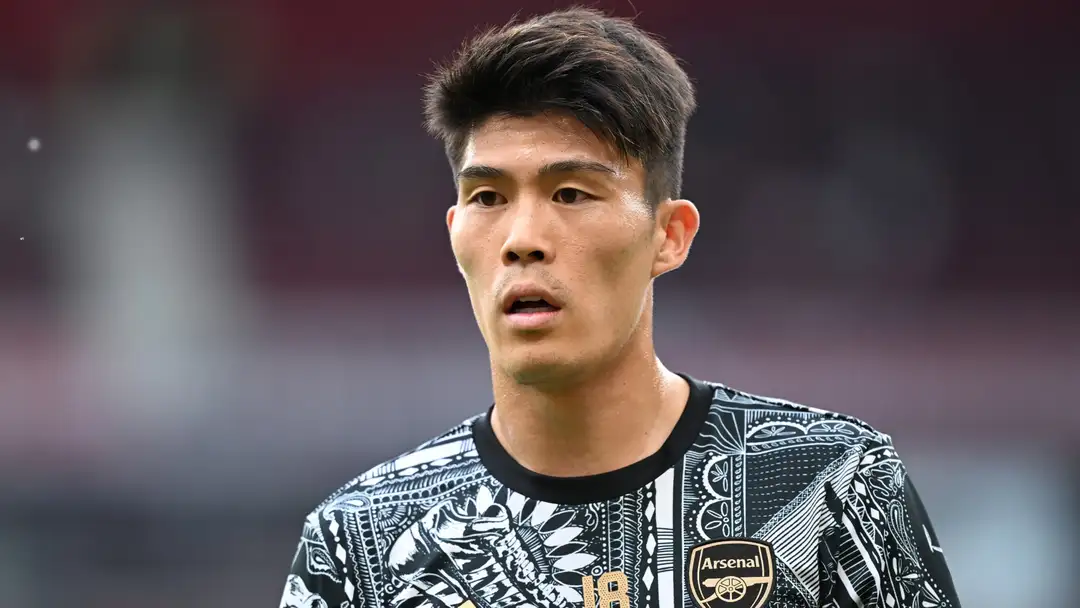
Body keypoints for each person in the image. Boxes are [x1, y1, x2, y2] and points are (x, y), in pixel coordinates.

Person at [279, 8, 962, 608]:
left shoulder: (832, 486)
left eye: (571, 194)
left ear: (670, 236)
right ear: (455, 232)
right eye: (489, 198)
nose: (522, 240)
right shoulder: (361, 544)